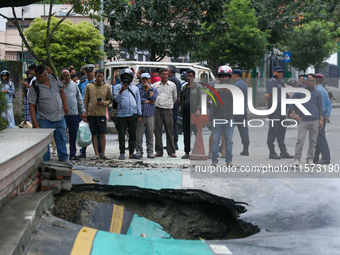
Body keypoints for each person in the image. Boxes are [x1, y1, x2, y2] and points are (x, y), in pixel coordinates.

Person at [27, 65, 72, 167]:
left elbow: (61, 91)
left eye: (44, 76)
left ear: (46, 73)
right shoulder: (34, 86)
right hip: (44, 118)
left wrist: (65, 106)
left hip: (59, 115)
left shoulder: (53, 79)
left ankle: (64, 158)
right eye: (40, 77)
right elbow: (31, 105)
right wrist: (34, 121)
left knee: (61, 138)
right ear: (36, 76)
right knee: (44, 141)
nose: (43, 78)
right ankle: (45, 160)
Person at [289, 74, 324, 166]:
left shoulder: (317, 93)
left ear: (315, 82)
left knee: (313, 141)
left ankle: (310, 160)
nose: (311, 82)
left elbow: (321, 107)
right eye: (309, 80)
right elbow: (291, 102)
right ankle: (297, 160)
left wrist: (321, 120)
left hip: (314, 120)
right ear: (306, 81)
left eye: (312, 81)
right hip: (303, 120)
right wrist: (294, 114)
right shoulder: (300, 91)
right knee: (300, 140)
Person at [265, 66, 293, 159]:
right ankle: (271, 152)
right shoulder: (272, 82)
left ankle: (283, 151)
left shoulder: (281, 82)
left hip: (282, 110)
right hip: (275, 111)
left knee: (282, 131)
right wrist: (269, 104)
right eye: (278, 72)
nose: (280, 73)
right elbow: (267, 95)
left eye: (281, 72)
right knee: (273, 130)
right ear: (274, 73)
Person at [113, 68, 142, 160]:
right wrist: (121, 90)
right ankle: (122, 153)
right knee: (122, 134)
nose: (126, 78)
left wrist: (139, 114)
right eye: (124, 77)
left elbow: (138, 102)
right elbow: (116, 100)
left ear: (131, 78)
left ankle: (131, 153)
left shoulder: (135, 88)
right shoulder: (117, 87)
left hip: (133, 114)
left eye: (128, 77)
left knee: (132, 134)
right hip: (122, 114)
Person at [83, 70, 113, 160]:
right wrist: (85, 112)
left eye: (101, 76)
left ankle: (103, 153)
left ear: (103, 77)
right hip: (91, 113)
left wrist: (103, 103)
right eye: (98, 76)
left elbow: (110, 100)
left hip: (101, 113)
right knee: (94, 134)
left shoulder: (107, 87)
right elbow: (85, 100)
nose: (99, 78)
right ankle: (96, 153)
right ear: (95, 76)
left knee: (103, 134)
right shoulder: (89, 86)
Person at [211, 65, 234, 167]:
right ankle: (214, 161)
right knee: (215, 140)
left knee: (229, 140)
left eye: (226, 76)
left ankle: (229, 161)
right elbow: (206, 97)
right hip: (217, 116)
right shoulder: (213, 85)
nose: (224, 78)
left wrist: (230, 93)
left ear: (229, 76)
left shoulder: (233, 88)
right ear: (219, 76)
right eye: (222, 75)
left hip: (229, 117)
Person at [61, 69, 86, 160]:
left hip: (74, 114)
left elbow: (79, 99)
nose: (67, 77)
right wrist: (61, 86)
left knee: (73, 135)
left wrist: (82, 111)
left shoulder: (74, 85)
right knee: (62, 135)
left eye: (68, 75)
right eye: (65, 76)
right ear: (61, 76)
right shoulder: (59, 86)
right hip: (63, 114)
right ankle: (63, 154)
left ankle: (72, 154)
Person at [152, 68, 177, 157]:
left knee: (169, 132)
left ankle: (171, 151)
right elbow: (153, 97)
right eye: (163, 74)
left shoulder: (172, 85)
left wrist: (169, 105)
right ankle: (159, 151)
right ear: (160, 75)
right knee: (158, 132)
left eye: (166, 74)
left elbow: (174, 98)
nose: (165, 76)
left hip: (168, 110)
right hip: (158, 110)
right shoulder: (155, 85)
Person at [77, 64, 100, 158]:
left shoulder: (98, 83)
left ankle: (99, 152)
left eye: (91, 71)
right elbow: (78, 97)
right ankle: (83, 151)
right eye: (87, 72)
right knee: (84, 131)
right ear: (85, 73)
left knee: (97, 132)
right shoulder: (82, 83)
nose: (89, 73)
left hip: (95, 111)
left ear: (94, 72)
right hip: (84, 111)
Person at [179, 69, 201, 159]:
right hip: (186, 114)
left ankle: (199, 151)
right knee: (186, 134)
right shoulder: (184, 87)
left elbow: (201, 99)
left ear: (194, 77)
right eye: (187, 76)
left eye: (190, 76)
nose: (189, 77)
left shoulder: (198, 87)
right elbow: (180, 98)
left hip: (195, 115)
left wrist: (199, 109)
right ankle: (187, 152)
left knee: (197, 133)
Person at [136, 73, 158, 158]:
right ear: (141, 80)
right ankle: (139, 151)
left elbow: (153, 100)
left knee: (150, 134)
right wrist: (148, 100)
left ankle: (150, 151)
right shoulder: (137, 89)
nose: (145, 81)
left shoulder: (154, 89)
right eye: (143, 79)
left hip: (150, 114)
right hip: (140, 114)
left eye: (147, 79)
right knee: (139, 134)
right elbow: (138, 100)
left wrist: (150, 89)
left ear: (149, 80)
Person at [314, 74, 332, 164]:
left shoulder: (317, 90)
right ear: (322, 81)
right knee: (317, 137)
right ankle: (315, 157)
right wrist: (327, 115)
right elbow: (329, 104)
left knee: (320, 137)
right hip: (323, 116)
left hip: (318, 117)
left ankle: (326, 157)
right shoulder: (324, 90)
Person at [232, 69, 250, 156]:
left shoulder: (234, 85)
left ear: (236, 75)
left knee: (228, 129)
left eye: (232, 75)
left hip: (235, 111)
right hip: (243, 110)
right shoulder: (245, 85)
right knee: (244, 130)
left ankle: (222, 147)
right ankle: (246, 149)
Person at [168, 65, 181, 150]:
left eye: (167, 71)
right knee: (172, 123)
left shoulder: (171, 80)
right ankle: (173, 143)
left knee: (172, 123)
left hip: (172, 104)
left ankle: (173, 143)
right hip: (175, 104)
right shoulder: (177, 80)